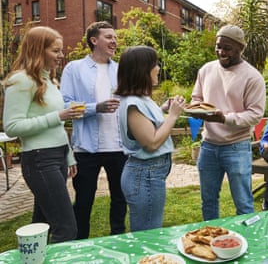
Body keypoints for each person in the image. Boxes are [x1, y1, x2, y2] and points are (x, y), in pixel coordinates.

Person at [2, 26, 82, 243]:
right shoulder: (21, 81)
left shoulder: (49, 81)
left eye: (61, 51)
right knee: (66, 229)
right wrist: (58, 115)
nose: (61, 56)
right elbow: (12, 126)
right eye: (56, 51)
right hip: (39, 160)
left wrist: (68, 156)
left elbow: (56, 127)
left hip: (55, 157)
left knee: (41, 225)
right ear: (38, 50)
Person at [190, 25, 266, 220]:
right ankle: (210, 239)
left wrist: (224, 118)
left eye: (227, 48)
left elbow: (255, 114)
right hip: (208, 146)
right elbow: (196, 97)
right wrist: (196, 109)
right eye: (218, 46)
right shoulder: (206, 69)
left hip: (236, 147)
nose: (221, 52)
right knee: (208, 200)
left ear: (240, 48)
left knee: (243, 203)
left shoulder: (252, 77)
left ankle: (249, 242)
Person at [60, 21, 127, 239]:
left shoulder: (121, 69)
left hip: (119, 147)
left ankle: (119, 239)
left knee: (120, 198)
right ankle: (80, 243)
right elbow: (65, 104)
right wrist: (94, 108)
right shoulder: (74, 69)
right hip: (86, 148)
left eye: (115, 37)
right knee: (84, 201)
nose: (114, 41)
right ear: (94, 40)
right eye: (109, 37)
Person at [115, 45, 186, 231]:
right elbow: (152, 143)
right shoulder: (133, 104)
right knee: (147, 234)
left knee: (149, 229)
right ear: (142, 70)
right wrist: (173, 116)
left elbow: (149, 125)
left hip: (148, 174)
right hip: (144, 175)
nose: (158, 68)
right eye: (154, 64)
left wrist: (162, 109)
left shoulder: (141, 99)